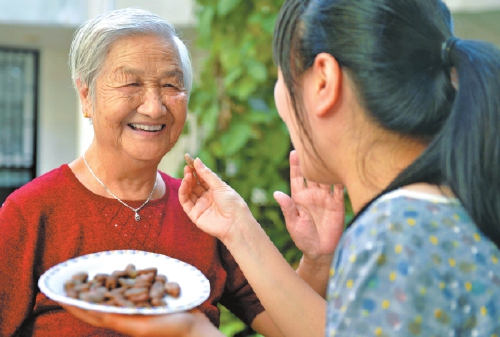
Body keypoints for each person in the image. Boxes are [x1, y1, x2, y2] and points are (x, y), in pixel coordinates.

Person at [60, 0, 500, 336]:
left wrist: (193, 330)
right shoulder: (436, 210)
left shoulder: (396, 236)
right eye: (131, 83)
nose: (154, 105)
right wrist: (240, 226)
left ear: (324, 83)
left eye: (282, 79)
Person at [0, 8, 284, 337]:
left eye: (170, 85)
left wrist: (317, 259)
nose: (153, 107)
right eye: (131, 83)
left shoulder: (203, 211)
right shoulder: (31, 213)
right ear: (85, 95)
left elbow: (287, 324)